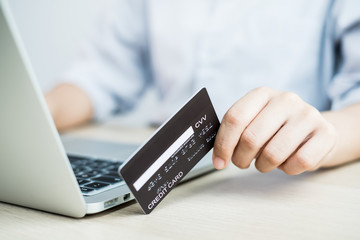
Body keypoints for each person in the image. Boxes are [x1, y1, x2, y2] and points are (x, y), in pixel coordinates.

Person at [46, 0, 360, 175]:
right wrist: (32, 115)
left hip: (269, 179)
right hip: (162, 169)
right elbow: (99, 74)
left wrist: (323, 136)